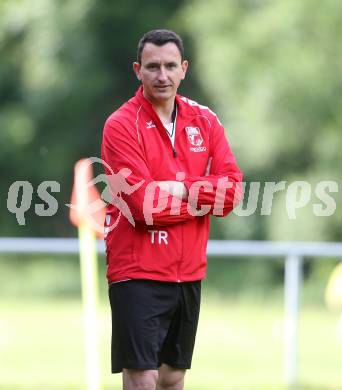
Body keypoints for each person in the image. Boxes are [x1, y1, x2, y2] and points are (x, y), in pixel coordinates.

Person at [101, 29, 243, 390]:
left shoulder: (205, 120)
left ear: (184, 69)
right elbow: (143, 204)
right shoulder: (120, 125)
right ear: (138, 70)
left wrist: (179, 188)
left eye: (169, 66)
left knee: (172, 376)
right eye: (152, 67)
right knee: (142, 375)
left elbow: (233, 190)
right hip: (137, 270)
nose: (161, 76)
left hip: (188, 271)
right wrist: (202, 199)